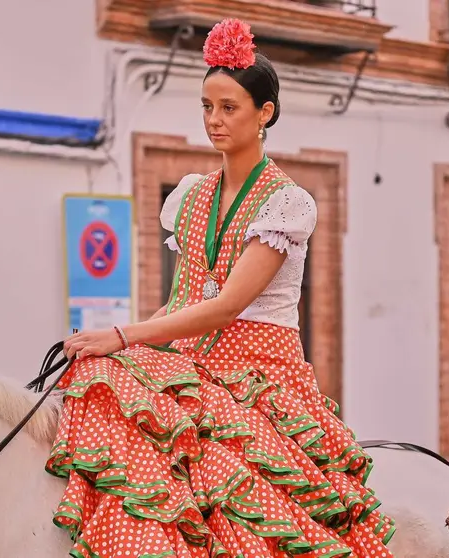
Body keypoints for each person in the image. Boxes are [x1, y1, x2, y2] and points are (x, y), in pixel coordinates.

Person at [48, 19, 396, 557]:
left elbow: (227, 306)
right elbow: (183, 301)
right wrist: (124, 345)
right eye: (207, 107)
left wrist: (122, 335)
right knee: (99, 378)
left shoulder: (287, 202)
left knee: (238, 497)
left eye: (229, 107)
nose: (214, 120)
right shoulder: (190, 196)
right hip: (195, 368)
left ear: (266, 113)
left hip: (260, 374)